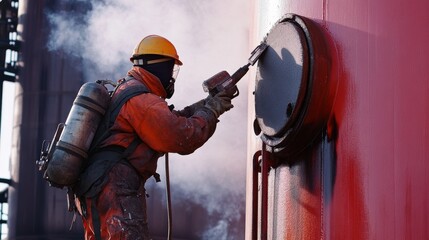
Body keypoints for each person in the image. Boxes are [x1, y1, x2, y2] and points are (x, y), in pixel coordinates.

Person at [72, 35, 234, 240]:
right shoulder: (142, 100)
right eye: (170, 69)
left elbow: (172, 120)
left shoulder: (130, 91)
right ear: (159, 66)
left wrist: (205, 104)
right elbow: (181, 136)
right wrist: (212, 111)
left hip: (101, 190)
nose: (171, 76)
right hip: (114, 191)